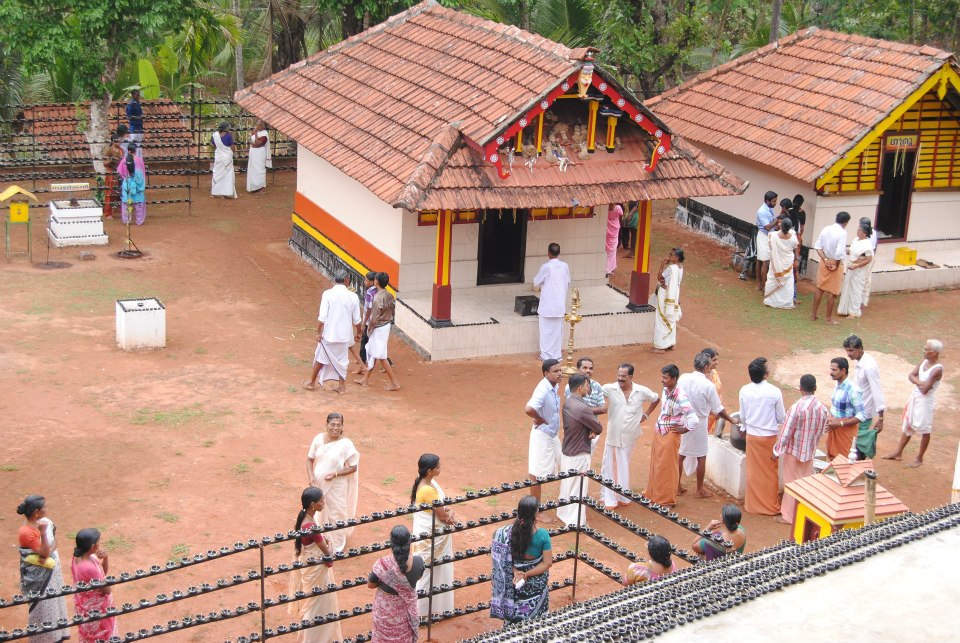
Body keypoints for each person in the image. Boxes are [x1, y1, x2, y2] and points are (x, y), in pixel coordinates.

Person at [677, 352, 739, 499]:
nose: (712, 367)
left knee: (681, 454)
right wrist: (731, 419)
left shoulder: (684, 377)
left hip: (684, 418)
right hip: (698, 422)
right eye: (710, 365)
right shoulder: (708, 385)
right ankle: (699, 490)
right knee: (701, 456)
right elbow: (718, 409)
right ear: (705, 367)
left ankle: (677, 486)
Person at [600, 363, 659, 509]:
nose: (620, 378)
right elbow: (593, 392)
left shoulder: (641, 391)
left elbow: (656, 398)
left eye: (623, 376)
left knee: (623, 465)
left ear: (631, 377)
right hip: (614, 436)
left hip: (630, 436)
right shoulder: (609, 388)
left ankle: (621, 496)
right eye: (618, 375)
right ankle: (610, 498)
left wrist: (646, 414)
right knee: (611, 466)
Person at [773, 374, 829, 524]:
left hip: (793, 452)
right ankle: (802, 514)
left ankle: (789, 516)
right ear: (815, 388)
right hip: (809, 452)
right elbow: (823, 429)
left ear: (800, 389)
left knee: (791, 484)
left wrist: (777, 450)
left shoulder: (796, 407)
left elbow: (786, 432)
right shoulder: (822, 408)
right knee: (804, 483)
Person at [288, 487, 342, 643]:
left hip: (310, 568)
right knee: (318, 604)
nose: (324, 503)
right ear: (313, 505)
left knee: (313, 602)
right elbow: (327, 553)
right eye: (321, 501)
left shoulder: (304, 519)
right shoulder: (311, 527)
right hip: (317, 569)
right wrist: (330, 544)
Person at [15, 495, 70, 643]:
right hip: (40, 578)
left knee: (55, 602)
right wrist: (44, 533)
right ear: (36, 512)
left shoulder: (46, 522)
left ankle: (57, 636)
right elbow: (45, 552)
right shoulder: (27, 531)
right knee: (43, 606)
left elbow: (55, 543)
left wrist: (47, 551)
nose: (47, 510)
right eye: (45, 507)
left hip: (51, 573)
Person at [490, 496, 553, 622]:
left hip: (515, 582)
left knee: (517, 617)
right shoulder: (542, 535)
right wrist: (526, 574)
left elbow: (504, 560)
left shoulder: (506, 533)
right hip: (535, 585)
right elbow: (547, 563)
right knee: (536, 623)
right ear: (536, 513)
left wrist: (516, 572)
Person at [644, 364, 698, 507]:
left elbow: (694, 418)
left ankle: (667, 500)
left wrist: (684, 429)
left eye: (665, 378)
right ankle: (653, 494)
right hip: (660, 431)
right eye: (662, 376)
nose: (662, 380)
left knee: (668, 468)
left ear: (674, 379)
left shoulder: (681, 396)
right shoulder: (665, 390)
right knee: (657, 464)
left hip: (670, 435)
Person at [884, 339, 944, 467]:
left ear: (934, 353)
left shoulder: (937, 369)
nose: (924, 351)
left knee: (924, 430)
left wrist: (918, 382)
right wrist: (921, 382)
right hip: (916, 398)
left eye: (927, 349)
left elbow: (924, 390)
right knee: (908, 424)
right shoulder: (924, 362)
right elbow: (911, 375)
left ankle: (919, 459)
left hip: (925, 402)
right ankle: (898, 452)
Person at [306, 412, 360, 553]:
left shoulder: (346, 444)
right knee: (320, 510)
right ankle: (322, 537)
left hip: (337, 485)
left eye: (338, 425)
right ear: (327, 425)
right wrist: (311, 476)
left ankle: (337, 544)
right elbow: (309, 460)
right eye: (332, 424)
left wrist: (335, 474)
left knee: (337, 512)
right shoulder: (318, 439)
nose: (335, 428)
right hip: (319, 484)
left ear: (342, 426)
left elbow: (353, 467)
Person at [410, 454, 456, 617]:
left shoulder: (423, 481)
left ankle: (424, 610)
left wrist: (447, 510)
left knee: (427, 571)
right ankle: (422, 612)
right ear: (429, 471)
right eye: (437, 467)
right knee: (430, 572)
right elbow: (443, 517)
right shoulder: (428, 490)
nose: (440, 469)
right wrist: (451, 512)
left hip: (428, 537)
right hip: (433, 537)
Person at [739, 357, 785, 516]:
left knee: (753, 472)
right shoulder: (774, 391)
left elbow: (742, 416)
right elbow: (781, 417)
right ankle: (770, 506)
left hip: (752, 436)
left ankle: (752, 504)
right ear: (765, 374)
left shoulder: (744, 390)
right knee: (770, 472)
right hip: (769, 437)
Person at [557, 373, 603, 527]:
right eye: (587, 385)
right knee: (578, 488)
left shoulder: (569, 402)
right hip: (579, 452)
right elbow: (598, 427)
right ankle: (575, 522)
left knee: (567, 484)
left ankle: (564, 513)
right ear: (580, 387)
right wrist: (592, 429)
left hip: (568, 450)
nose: (588, 388)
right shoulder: (583, 407)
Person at [305, 273, 362, 394]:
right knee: (343, 360)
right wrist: (359, 332)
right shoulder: (353, 296)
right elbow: (357, 320)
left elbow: (322, 317)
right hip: (345, 335)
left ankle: (312, 382)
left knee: (321, 358)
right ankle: (341, 386)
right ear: (347, 280)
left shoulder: (327, 294)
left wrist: (318, 332)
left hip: (329, 334)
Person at [368, 525, 422, 643]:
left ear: (391, 543)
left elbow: (370, 585)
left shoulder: (382, 564)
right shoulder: (418, 562)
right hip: (406, 613)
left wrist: (385, 580)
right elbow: (419, 577)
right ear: (409, 542)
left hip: (384, 613)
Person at [524, 359, 563, 507]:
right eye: (555, 371)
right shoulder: (543, 389)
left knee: (561, 464)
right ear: (546, 373)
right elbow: (528, 409)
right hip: (542, 435)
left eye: (560, 370)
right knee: (536, 473)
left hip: (552, 435)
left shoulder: (554, 385)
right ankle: (536, 510)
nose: (559, 374)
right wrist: (539, 418)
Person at [355, 272, 400, 390]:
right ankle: (365, 379)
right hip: (385, 325)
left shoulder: (377, 299)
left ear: (376, 282)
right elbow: (393, 310)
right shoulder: (389, 295)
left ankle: (395, 383)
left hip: (378, 328)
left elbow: (373, 319)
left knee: (380, 355)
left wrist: (368, 330)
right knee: (374, 352)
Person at [843, 335, 886, 459]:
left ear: (860, 349)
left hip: (863, 414)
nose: (848, 354)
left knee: (857, 446)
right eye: (847, 350)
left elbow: (877, 392)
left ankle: (857, 469)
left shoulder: (869, 367)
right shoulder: (861, 361)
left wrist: (881, 418)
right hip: (857, 411)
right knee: (853, 443)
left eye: (851, 350)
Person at [71, 528, 117, 642]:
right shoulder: (89, 567)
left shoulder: (77, 556)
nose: (99, 544)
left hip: (84, 605)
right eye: (98, 542)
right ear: (92, 547)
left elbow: (101, 574)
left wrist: (105, 558)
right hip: (96, 608)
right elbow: (107, 589)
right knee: (100, 637)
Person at [811, 211, 851, 324]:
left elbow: (817, 246)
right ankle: (828, 318)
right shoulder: (842, 233)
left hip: (825, 261)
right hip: (835, 262)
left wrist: (825, 260)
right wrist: (836, 265)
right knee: (833, 292)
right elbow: (839, 253)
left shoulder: (826, 229)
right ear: (845, 222)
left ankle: (813, 314)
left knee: (820, 288)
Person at [533, 243, 570, 361]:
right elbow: (568, 282)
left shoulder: (546, 267)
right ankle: (556, 355)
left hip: (547, 305)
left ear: (548, 253)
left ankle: (546, 356)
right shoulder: (565, 266)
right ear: (559, 253)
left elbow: (536, 282)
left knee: (545, 332)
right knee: (557, 332)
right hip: (559, 303)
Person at [825, 356, 867, 460]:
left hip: (845, 431)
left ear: (843, 370)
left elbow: (862, 415)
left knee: (844, 460)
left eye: (834, 370)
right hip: (834, 428)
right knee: (833, 457)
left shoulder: (853, 390)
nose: (831, 372)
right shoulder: (838, 384)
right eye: (831, 369)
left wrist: (840, 424)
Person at [837, 220, 875, 318]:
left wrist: (857, 265)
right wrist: (844, 249)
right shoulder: (855, 240)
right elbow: (852, 251)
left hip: (859, 270)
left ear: (864, 233)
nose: (857, 231)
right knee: (848, 287)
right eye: (857, 229)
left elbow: (869, 259)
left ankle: (853, 312)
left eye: (859, 230)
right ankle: (844, 309)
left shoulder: (867, 244)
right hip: (851, 266)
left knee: (856, 289)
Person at [652, 247, 684, 353]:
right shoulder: (680, 267)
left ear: (677, 257)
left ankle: (660, 346)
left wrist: (662, 265)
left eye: (671, 254)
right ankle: (670, 343)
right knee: (671, 318)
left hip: (665, 295)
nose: (669, 256)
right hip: (673, 296)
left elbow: (660, 278)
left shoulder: (671, 268)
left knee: (661, 318)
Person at [763, 216, 799, 309]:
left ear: (781, 226)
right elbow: (795, 248)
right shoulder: (793, 238)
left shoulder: (772, 235)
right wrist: (796, 260)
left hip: (776, 263)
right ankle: (786, 303)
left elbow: (770, 247)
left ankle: (770, 301)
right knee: (787, 284)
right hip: (787, 263)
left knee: (773, 279)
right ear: (790, 228)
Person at [755, 191, 778, 291]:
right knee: (765, 262)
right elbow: (768, 227)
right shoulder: (762, 211)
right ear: (767, 201)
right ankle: (763, 285)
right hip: (763, 236)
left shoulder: (769, 209)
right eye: (773, 201)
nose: (775, 203)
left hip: (769, 236)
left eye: (775, 201)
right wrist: (777, 220)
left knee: (761, 260)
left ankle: (760, 284)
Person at [118, 142, 147, 225]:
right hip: (138, 184)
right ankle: (139, 221)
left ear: (128, 150)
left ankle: (127, 220)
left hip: (127, 183)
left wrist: (126, 178)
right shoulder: (139, 160)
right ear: (135, 150)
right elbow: (142, 172)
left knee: (126, 203)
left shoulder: (124, 160)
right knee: (139, 203)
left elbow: (120, 172)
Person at [102, 130, 125, 218]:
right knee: (110, 192)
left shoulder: (121, 150)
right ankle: (108, 213)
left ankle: (119, 209)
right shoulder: (109, 150)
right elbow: (104, 163)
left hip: (120, 173)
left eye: (120, 140)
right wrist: (112, 160)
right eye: (118, 140)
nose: (120, 142)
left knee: (119, 192)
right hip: (111, 173)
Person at [211, 121, 237, 199]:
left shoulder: (215, 135)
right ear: (226, 128)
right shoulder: (228, 136)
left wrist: (219, 148)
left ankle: (214, 193)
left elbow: (212, 144)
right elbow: (232, 147)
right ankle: (225, 194)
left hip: (219, 158)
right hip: (227, 158)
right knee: (227, 175)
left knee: (216, 174)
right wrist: (232, 151)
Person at [701, 348, 724, 436]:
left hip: (715, 414)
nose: (717, 362)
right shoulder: (700, 378)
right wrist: (712, 411)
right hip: (704, 415)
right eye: (714, 360)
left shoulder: (714, 373)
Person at [358, 271, 377, 369]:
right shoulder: (380, 291)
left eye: (366, 280)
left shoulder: (370, 293)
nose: (364, 282)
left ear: (372, 282)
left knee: (364, 339)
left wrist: (364, 322)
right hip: (377, 321)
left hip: (369, 321)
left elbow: (368, 309)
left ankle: (362, 359)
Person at [247, 119, 270, 193]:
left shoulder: (265, 134)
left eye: (259, 125)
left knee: (260, 170)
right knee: (253, 169)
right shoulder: (257, 132)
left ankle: (261, 187)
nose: (257, 126)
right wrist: (253, 143)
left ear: (263, 126)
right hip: (253, 153)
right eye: (257, 124)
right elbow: (249, 140)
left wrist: (256, 134)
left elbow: (258, 143)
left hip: (260, 154)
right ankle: (254, 186)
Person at [860, 216, 879, 307]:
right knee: (862, 279)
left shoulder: (870, 234)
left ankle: (863, 301)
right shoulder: (872, 232)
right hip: (866, 258)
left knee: (866, 279)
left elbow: (871, 248)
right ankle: (860, 300)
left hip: (867, 258)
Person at [605, 203, 622, 276]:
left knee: (607, 248)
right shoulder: (618, 208)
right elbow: (621, 214)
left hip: (608, 228)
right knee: (613, 249)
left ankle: (609, 267)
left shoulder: (606, 207)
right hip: (615, 229)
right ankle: (610, 268)